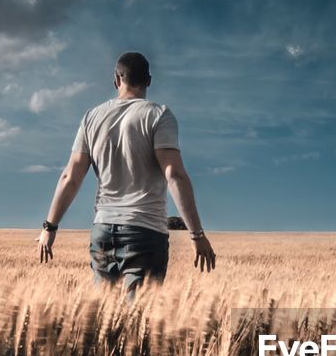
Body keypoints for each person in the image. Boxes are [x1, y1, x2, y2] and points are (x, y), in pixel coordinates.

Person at [36, 51, 216, 291]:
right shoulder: (158, 115)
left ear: (116, 79)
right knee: (138, 319)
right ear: (149, 81)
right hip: (144, 231)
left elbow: (71, 176)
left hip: (102, 229)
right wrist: (196, 234)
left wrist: (50, 227)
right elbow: (174, 174)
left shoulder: (91, 117)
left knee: (106, 321)